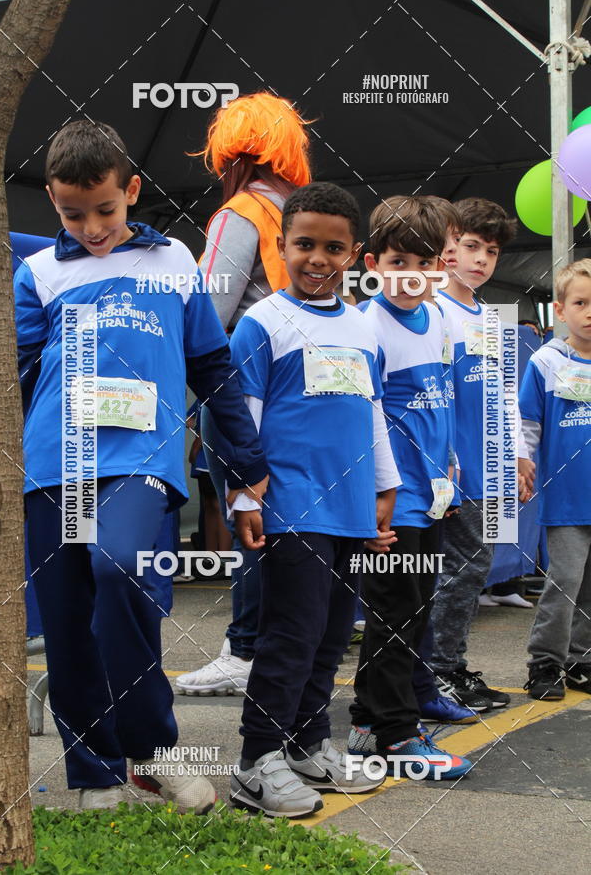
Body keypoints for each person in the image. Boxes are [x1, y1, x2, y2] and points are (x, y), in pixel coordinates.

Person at [15, 120, 268, 811]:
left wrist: (247, 463)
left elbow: (212, 366)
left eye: (105, 208)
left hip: (140, 455)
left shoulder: (175, 260)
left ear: (131, 189)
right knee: (68, 618)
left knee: (119, 566)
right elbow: (20, 376)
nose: (92, 228)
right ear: (52, 200)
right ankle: (96, 775)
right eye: (73, 214)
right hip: (58, 462)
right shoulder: (39, 274)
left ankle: (153, 750)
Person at [228, 182, 401, 817]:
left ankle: (306, 745)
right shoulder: (262, 322)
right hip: (291, 506)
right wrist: (243, 497)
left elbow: (372, 411)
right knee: (292, 634)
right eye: (305, 245)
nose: (318, 259)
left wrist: (385, 485)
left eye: (333, 247)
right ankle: (256, 761)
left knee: (330, 636)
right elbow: (239, 417)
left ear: (353, 253)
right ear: (281, 246)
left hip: (350, 508)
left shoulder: (363, 328)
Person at [176, 92, 311, 697]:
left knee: (247, 513)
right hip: (299, 388)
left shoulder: (240, 214)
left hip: (241, 389)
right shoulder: (299, 213)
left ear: (232, 151)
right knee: (283, 517)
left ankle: (244, 649)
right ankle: (279, 643)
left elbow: (207, 314)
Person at [346, 195, 473, 779]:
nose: (412, 276)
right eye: (399, 262)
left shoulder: (439, 317)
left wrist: (449, 475)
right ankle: (397, 737)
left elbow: (440, 405)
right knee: (394, 616)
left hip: (433, 496)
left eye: (425, 263)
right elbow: (364, 419)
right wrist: (377, 495)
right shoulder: (367, 327)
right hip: (395, 503)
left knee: (412, 614)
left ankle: (369, 722)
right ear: (373, 263)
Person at [430, 198, 522, 710]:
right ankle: (439, 671)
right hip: (453, 470)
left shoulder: (495, 317)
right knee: (457, 570)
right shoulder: (432, 311)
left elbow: (506, 396)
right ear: (447, 247)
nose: (481, 259)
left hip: (493, 469)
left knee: (472, 570)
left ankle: (449, 666)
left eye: (491, 251)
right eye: (471, 246)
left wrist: (518, 457)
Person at [521, 259, 591, 699]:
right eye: (581, 303)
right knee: (564, 582)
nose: (590, 312)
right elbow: (527, 422)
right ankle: (545, 664)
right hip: (567, 499)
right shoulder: (546, 361)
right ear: (560, 310)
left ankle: (581, 661)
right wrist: (521, 461)